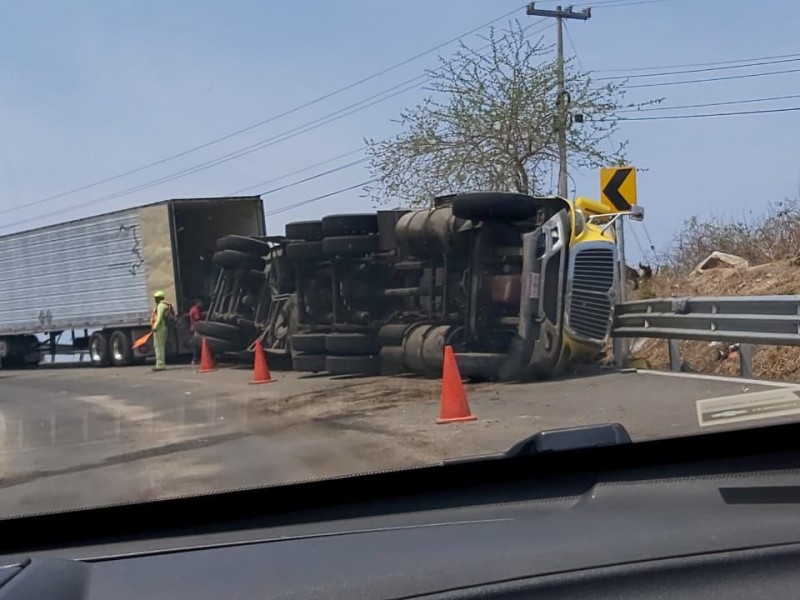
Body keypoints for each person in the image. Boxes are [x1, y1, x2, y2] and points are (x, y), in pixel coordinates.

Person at [150, 290, 171, 372]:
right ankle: (160, 364)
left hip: (160, 329)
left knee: (159, 347)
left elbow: (159, 318)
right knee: (159, 346)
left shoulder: (160, 306)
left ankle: (160, 365)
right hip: (162, 328)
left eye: (156, 298)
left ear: (159, 298)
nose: (155, 299)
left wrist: (155, 326)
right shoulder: (164, 305)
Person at [188, 299, 203, 365]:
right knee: (197, 345)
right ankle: (195, 359)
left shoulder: (192, 309)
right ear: (196, 303)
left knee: (196, 345)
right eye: (200, 303)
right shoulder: (195, 310)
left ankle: (195, 359)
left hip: (193, 328)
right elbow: (197, 319)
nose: (201, 304)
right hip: (196, 329)